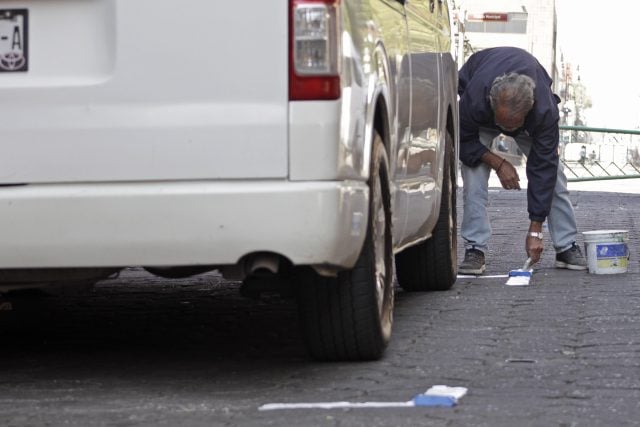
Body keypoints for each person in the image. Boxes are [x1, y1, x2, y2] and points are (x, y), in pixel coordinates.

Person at [457, 47, 587, 275]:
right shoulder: (475, 98)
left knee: (554, 176)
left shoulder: (544, 111)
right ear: (492, 103)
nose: (506, 130)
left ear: (529, 111)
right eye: (503, 123)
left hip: (524, 118)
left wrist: (535, 229)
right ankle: (475, 248)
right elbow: (463, 140)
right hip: (481, 113)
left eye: (512, 125)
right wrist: (498, 163)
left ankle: (566, 245)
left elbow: (542, 169)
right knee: (473, 172)